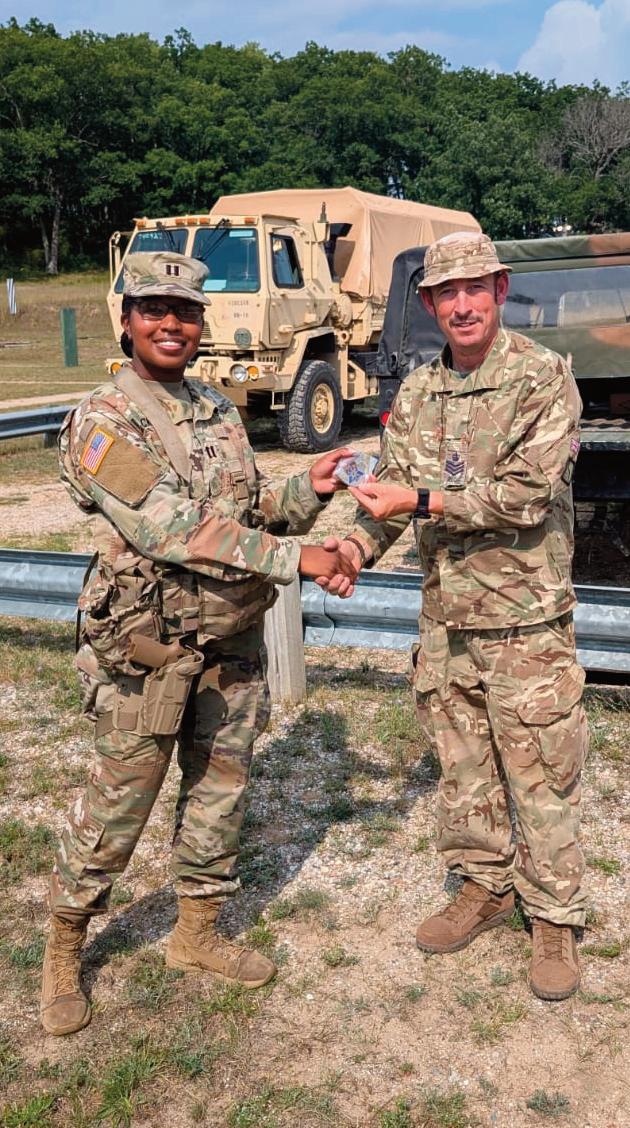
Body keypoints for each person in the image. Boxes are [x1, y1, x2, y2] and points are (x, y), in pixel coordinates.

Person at [40, 251, 358, 1037]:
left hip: (231, 640)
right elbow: (170, 528)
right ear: (126, 320)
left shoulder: (216, 408)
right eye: (154, 309)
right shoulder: (102, 420)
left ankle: (195, 934)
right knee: (120, 804)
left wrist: (308, 489)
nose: (171, 323)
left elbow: (246, 512)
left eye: (185, 311)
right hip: (150, 649)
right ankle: (65, 945)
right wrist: (298, 559)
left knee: (220, 792)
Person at [326, 231, 587, 1001]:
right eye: (448, 293)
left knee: (541, 775)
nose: (463, 304)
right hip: (446, 622)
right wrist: (352, 549)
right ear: (430, 303)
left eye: (476, 288)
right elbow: (389, 488)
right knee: (464, 769)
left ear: (500, 291)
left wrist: (422, 499)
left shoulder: (543, 378)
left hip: (523, 623)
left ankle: (554, 916)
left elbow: (527, 496)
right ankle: (484, 884)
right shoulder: (418, 394)